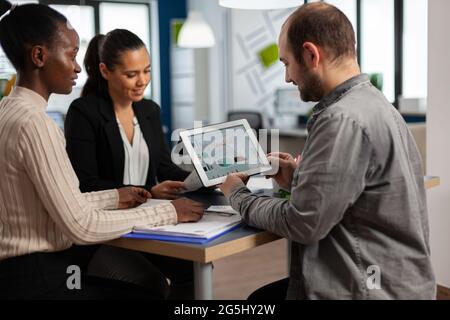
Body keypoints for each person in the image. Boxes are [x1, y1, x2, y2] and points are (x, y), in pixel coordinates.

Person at [219, 2, 435, 300]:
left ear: (310, 54)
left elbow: (302, 223)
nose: (287, 77)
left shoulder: (340, 119)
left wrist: (237, 195)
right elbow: (356, 195)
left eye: (286, 63)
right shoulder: (375, 103)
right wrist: (299, 178)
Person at [0, 0, 204, 300]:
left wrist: (114, 195)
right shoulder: (36, 124)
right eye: (71, 55)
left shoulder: (8, 110)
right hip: (42, 277)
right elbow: (80, 225)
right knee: (149, 291)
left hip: (19, 273)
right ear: (40, 56)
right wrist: (168, 212)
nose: (78, 66)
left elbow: (57, 202)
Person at [64, 29, 195, 299]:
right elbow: (85, 184)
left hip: (146, 222)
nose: (142, 81)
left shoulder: (149, 110)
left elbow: (163, 166)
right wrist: (148, 190)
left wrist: (201, 177)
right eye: (131, 74)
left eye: (146, 71)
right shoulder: (84, 112)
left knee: (190, 270)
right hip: (103, 231)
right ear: (105, 70)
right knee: (151, 283)